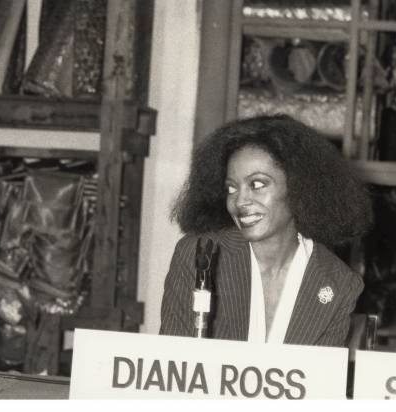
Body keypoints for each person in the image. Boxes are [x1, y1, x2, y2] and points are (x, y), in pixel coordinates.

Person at [160, 115, 373, 346]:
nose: (240, 201)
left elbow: (322, 370)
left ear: (299, 186)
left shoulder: (339, 283)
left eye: (257, 184)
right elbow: (172, 357)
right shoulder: (199, 256)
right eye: (231, 188)